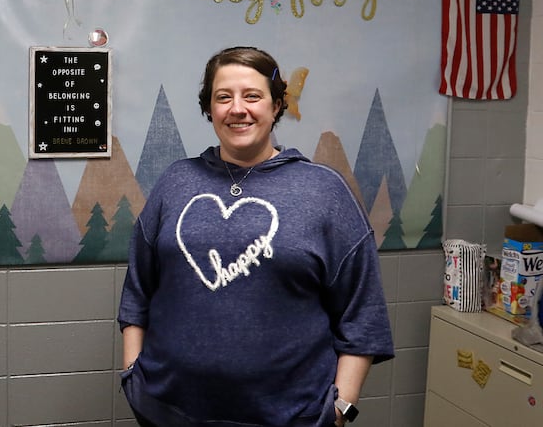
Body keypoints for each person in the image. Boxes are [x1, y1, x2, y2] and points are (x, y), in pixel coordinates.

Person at [118, 46, 394, 427]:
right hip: (167, 411)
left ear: (277, 105)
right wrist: (133, 374)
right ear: (209, 108)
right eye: (223, 97)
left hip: (291, 417)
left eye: (252, 96)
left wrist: (339, 409)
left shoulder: (325, 192)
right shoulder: (175, 182)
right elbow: (138, 290)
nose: (237, 109)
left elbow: (362, 314)